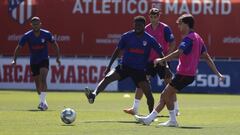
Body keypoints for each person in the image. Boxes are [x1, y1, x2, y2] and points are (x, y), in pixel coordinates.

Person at [135, 14, 225, 127]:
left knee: (165, 95)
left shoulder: (189, 38)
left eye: (180, 24)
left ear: (186, 24)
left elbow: (178, 52)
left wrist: (161, 59)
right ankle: (159, 119)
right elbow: (206, 57)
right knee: (166, 95)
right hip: (187, 75)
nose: (179, 26)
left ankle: (159, 120)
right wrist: (218, 73)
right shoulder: (198, 37)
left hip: (184, 74)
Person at [84, 16, 171, 113]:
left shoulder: (150, 39)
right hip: (124, 67)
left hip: (139, 70)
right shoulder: (126, 36)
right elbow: (117, 51)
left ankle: (150, 116)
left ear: (144, 26)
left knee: (149, 95)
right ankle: (93, 95)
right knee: (107, 78)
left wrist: (166, 67)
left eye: (140, 25)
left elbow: (161, 54)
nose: (137, 27)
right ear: (133, 25)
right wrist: (109, 66)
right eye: (136, 24)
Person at [123, 8, 179, 116]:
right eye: (152, 17)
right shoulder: (146, 29)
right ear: (149, 17)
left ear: (159, 16)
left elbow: (172, 43)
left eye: (156, 16)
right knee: (141, 82)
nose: (153, 19)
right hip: (148, 61)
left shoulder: (165, 28)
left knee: (170, 84)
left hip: (162, 60)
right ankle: (135, 108)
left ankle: (176, 109)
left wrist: (166, 58)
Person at [12, 17, 61, 111]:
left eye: (37, 24)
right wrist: (14, 60)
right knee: (37, 84)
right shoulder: (27, 36)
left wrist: (58, 57)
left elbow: (54, 44)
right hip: (34, 61)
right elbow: (19, 47)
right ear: (31, 25)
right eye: (34, 24)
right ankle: (43, 101)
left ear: (40, 24)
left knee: (43, 79)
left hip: (44, 59)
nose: (36, 25)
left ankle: (42, 104)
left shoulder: (46, 34)